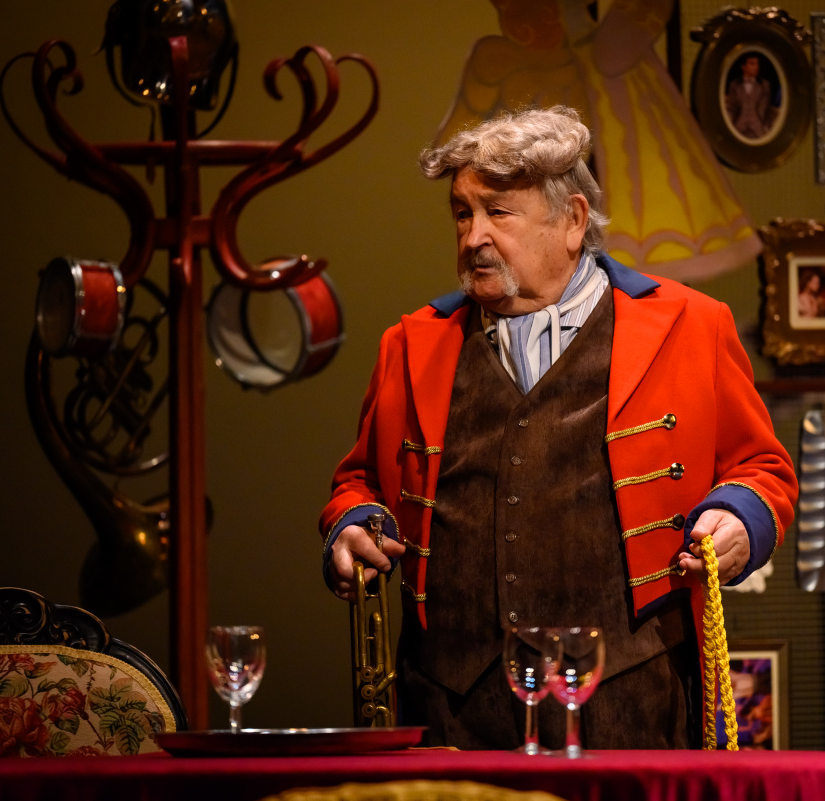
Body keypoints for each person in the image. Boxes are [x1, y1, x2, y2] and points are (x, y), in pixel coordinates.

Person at [320, 106, 797, 750]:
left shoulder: (691, 326)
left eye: (498, 212)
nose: (473, 236)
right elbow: (360, 483)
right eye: (462, 214)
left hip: (631, 704)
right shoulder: (410, 345)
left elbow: (763, 470)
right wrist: (352, 526)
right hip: (452, 711)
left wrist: (741, 518)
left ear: (572, 221)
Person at [724, 53, 774, 140]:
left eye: (757, 64)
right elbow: (731, 108)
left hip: (758, 131)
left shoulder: (764, 85)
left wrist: (766, 129)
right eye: (752, 64)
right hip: (739, 129)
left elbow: (767, 111)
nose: (756, 67)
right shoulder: (734, 85)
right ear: (743, 67)